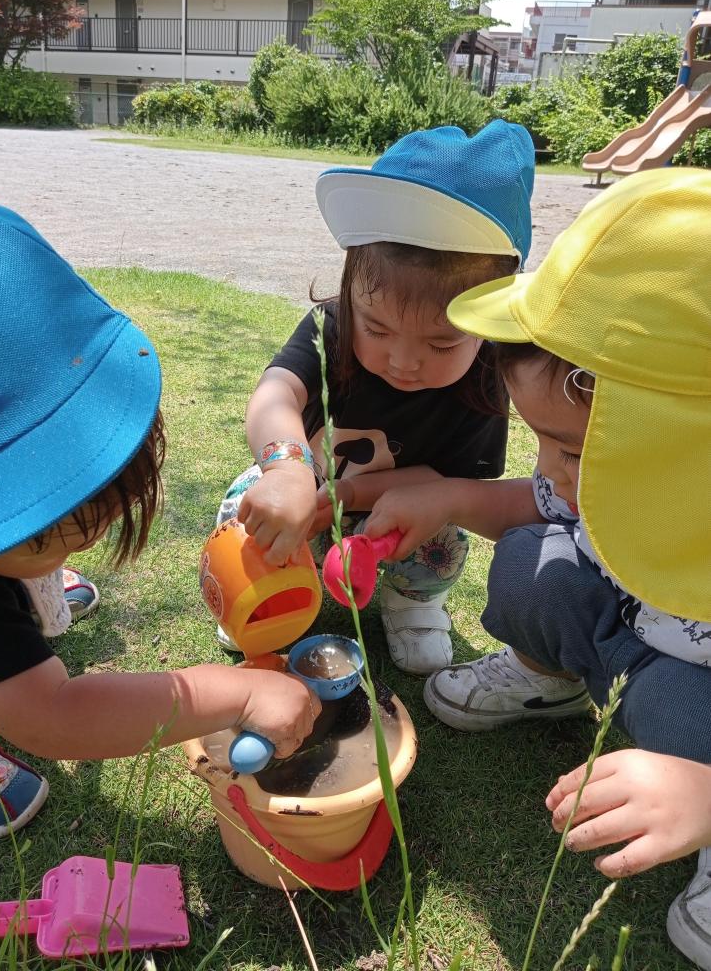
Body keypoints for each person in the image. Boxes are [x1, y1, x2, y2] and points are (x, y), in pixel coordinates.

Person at [363, 167, 711, 968]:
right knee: (530, 559)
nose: (550, 470)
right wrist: (449, 498)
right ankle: (546, 678)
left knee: (681, 711)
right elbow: (533, 504)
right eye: (542, 441)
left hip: (687, 691)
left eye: (575, 452)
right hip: (626, 635)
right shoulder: (596, 479)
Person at [0, 196, 319, 841]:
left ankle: (30, 585)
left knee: (10, 580)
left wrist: (32, 558)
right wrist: (242, 693)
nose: (89, 534)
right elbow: (58, 715)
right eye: (39, 530)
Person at [216, 121, 535, 675]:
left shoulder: (484, 374)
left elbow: (448, 482)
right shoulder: (331, 328)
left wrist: (350, 493)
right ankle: (264, 585)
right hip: (306, 487)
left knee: (443, 540)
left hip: (401, 513)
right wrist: (287, 469)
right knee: (246, 501)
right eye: (378, 329)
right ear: (350, 292)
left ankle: (412, 601)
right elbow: (275, 393)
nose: (403, 361)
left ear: (488, 323)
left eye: (441, 343)